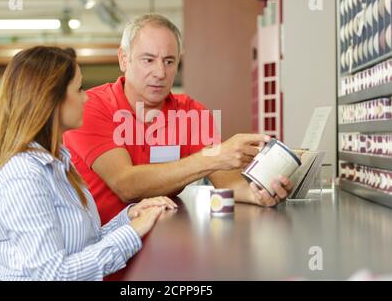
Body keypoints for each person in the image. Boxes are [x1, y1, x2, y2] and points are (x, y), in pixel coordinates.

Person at [64, 13, 294, 226]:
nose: (160, 73)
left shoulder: (190, 112)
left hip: (161, 243)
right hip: (105, 254)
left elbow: (227, 181)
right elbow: (126, 185)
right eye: (148, 60)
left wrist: (258, 193)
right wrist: (212, 158)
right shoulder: (90, 107)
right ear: (124, 59)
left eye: (169, 61)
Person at [0, 46, 177, 281]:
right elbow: (52, 275)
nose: (87, 97)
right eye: (79, 89)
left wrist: (130, 216)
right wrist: (133, 232)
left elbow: (86, 244)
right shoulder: (22, 175)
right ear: (51, 99)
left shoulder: (58, 163)